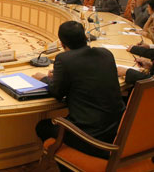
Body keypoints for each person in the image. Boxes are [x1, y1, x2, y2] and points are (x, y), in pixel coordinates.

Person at [33, 21, 125, 159]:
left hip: (89, 137)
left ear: (63, 44)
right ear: (85, 37)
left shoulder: (64, 59)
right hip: (117, 130)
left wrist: (44, 79)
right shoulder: (106, 54)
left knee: (43, 127)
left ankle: (70, 164)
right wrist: (61, 76)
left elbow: (56, 93)